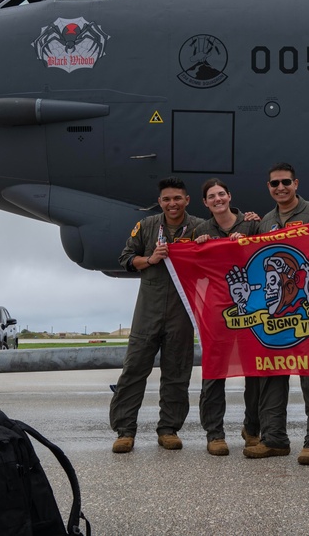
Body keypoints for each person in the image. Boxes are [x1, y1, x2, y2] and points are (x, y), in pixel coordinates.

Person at [111, 177, 203, 453]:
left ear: (187, 200)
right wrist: (150, 259)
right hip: (148, 309)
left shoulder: (199, 226)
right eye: (166, 199)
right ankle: (125, 431)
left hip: (181, 310)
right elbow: (126, 258)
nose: (172, 204)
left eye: (177, 198)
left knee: (177, 372)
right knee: (134, 370)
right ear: (160, 202)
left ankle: (168, 429)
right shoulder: (148, 226)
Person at [244, 162, 309, 461]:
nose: (280, 188)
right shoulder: (265, 221)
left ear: (296, 183)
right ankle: (274, 438)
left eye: (285, 182)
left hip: (307, 313)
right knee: (271, 377)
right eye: (274, 183)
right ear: (269, 187)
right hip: (275, 317)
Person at [193, 178, 261, 456]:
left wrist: (248, 242)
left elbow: (265, 250)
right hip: (216, 310)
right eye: (212, 196)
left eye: (221, 194)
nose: (218, 199)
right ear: (206, 203)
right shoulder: (201, 230)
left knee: (255, 371)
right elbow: (193, 269)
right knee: (214, 371)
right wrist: (198, 247)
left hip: (249, 309)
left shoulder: (251, 224)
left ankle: (253, 429)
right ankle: (215, 433)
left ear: (229, 196)